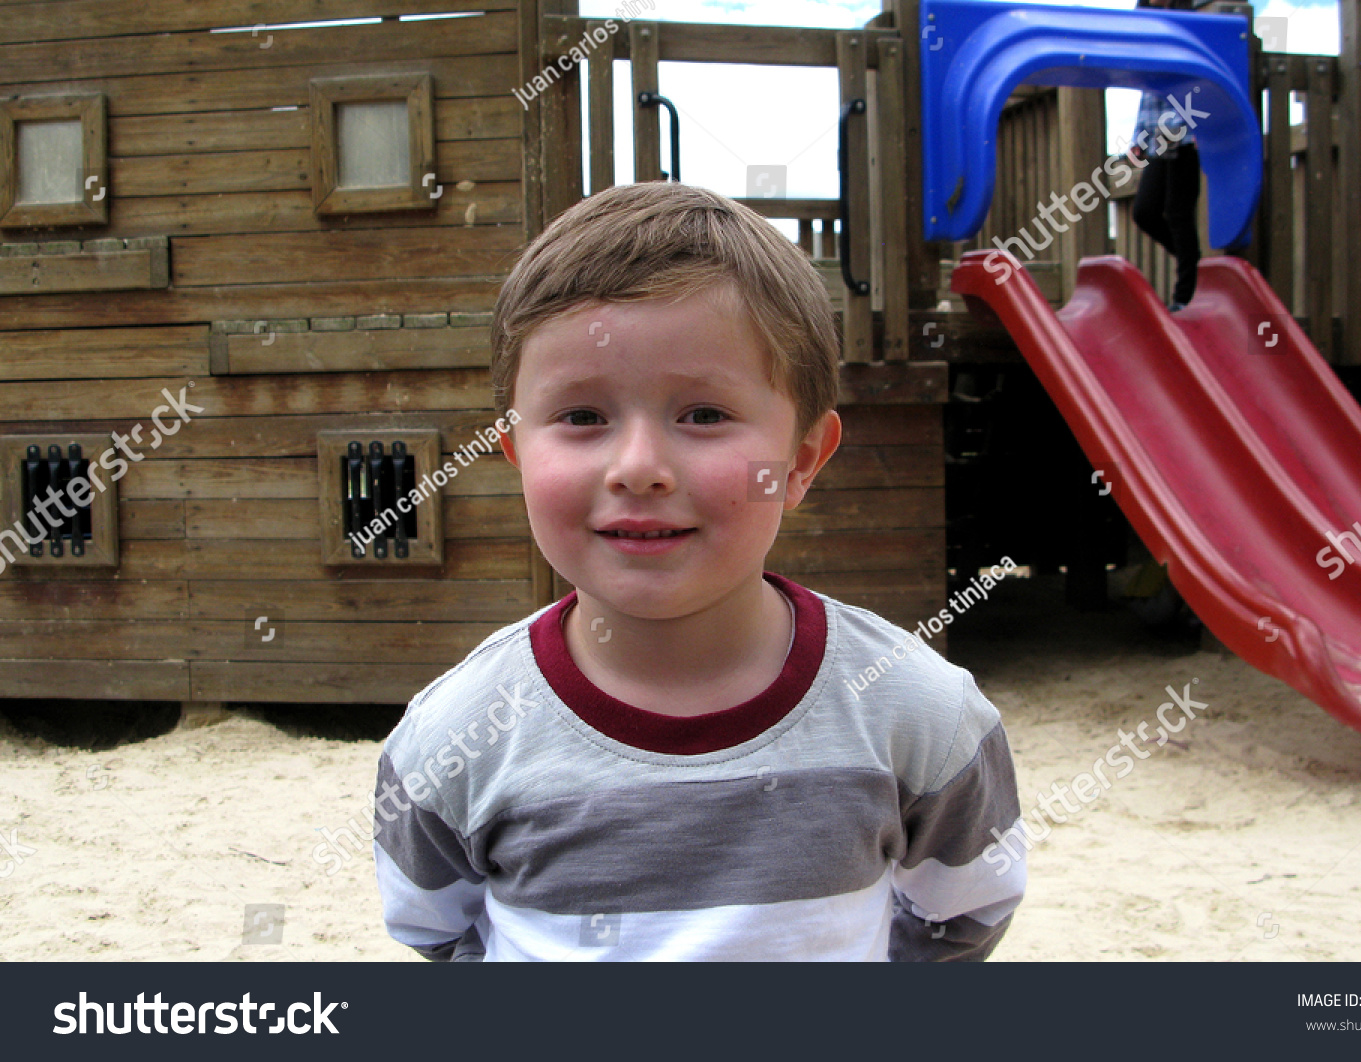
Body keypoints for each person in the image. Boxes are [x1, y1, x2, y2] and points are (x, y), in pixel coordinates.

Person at [370, 181, 1026, 961]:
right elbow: (438, 933)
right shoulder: (453, 740)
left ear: (803, 459)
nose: (639, 467)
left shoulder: (921, 716)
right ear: (515, 451)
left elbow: (967, 912)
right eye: (582, 416)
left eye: (704, 415)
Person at [1131, 0, 1202, 312]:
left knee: (1177, 213)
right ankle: (1196, 267)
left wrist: (1186, 125)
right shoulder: (1147, 36)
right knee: (1144, 211)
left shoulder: (1185, 30)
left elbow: (1197, 88)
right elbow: (1148, 98)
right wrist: (1138, 139)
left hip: (1184, 139)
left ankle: (1185, 296)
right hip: (1159, 142)